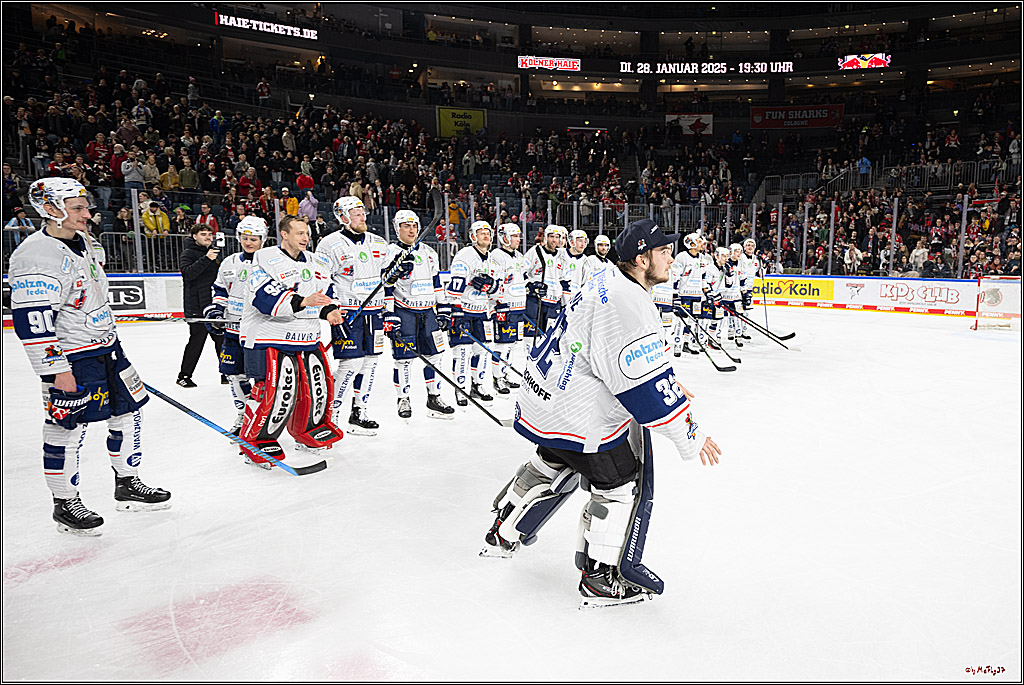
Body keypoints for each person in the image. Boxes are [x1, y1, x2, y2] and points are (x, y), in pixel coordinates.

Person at [480, 218, 721, 606]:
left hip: (547, 400)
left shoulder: (606, 278)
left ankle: (502, 530)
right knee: (619, 484)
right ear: (642, 259)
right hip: (578, 413)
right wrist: (692, 435)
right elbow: (642, 387)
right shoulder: (628, 303)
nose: (671, 259)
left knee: (550, 461)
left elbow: (621, 356)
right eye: (663, 252)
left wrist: (665, 375)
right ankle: (600, 580)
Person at [9, 178, 170, 536]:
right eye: (77, 207)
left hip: (107, 349)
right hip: (71, 358)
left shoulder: (88, 242)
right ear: (50, 209)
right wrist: (56, 370)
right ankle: (65, 502)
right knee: (66, 427)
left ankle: (128, 482)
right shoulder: (36, 255)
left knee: (128, 412)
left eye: (85, 206)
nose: (87, 213)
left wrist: (110, 346)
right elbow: (33, 321)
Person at [238, 214, 346, 467]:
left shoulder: (317, 262)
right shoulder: (264, 259)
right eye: (299, 233)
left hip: (307, 337)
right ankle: (256, 441)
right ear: (284, 235)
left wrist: (330, 310)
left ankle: (308, 431)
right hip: (268, 337)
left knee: (317, 386)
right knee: (274, 393)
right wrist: (302, 301)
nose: (305, 238)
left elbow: (326, 294)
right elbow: (264, 298)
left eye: (306, 233)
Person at [316, 196, 388, 436]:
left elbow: (387, 276)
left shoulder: (378, 242)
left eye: (362, 212)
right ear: (343, 217)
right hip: (349, 313)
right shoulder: (329, 244)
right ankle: (330, 415)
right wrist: (331, 306)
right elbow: (322, 278)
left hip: (374, 312)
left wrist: (399, 270)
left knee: (370, 363)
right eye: (356, 213)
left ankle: (359, 412)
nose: (362, 216)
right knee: (350, 364)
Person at [383, 209, 456, 420]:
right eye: (406, 226)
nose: (411, 230)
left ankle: (434, 398)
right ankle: (403, 398)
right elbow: (386, 287)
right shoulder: (390, 253)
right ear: (397, 228)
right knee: (404, 359)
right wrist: (389, 314)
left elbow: (436, 283)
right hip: (404, 312)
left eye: (414, 225)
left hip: (428, 313)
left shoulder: (428, 252)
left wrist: (443, 308)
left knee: (435, 356)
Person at [207, 216, 266, 434]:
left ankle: (261, 417)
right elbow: (221, 289)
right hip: (233, 329)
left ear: (262, 239)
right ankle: (243, 416)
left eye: (254, 238)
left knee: (262, 378)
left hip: (259, 331)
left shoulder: (269, 262)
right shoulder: (229, 262)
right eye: (245, 237)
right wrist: (215, 310)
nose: (248, 242)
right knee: (234, 375)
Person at [447, 220, 499, 407]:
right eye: (481, 232)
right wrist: (456, 310)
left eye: (488, 232)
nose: (486, 235)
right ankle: (460, 388)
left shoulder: (492, 259)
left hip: (482, 311)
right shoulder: (464, 256)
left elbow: (497, 288)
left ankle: (477, 384)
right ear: (473, 236)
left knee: (482, 350)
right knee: (462, 351)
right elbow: (455, 288)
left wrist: (491, 286)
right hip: (464, 311)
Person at [177, 223, 224, 387]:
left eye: (210, 234)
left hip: (212, 304)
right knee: (197, 340)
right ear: (194, 236)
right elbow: (188, 274)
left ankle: (226, 373)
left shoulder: (214, 254)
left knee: (221, 339)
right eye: (203, 234)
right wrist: (206, 259)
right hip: (196, 306)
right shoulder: (188, 253)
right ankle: (183, 376)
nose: (208, 237)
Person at [488, 222, 527, 395]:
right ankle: (497, 377)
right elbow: (495, 283)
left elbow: (522, 279)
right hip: (505, 308)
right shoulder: (496, 255)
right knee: (502, 344)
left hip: (519, 308)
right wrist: (499, 304)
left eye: (518, 236)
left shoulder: (519, 256)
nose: (518, 239)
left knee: (513, 345)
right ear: (504, 237)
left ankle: (505, 373)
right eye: (514, 236)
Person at [523, 225, 570, 338]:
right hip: (535, 301)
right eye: (551, 236)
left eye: (557, 237)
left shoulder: (562, 256)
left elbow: (565, 281)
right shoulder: (535, 251)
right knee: (531, 337)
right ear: (545, 237)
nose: (554, 240)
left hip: (554, 303)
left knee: (549, 337)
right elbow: (522, 272)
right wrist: (530, 285)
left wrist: (565, 304)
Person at [672, 233, 705, 355]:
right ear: (691, 243)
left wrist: (706, 291)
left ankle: (687, 343)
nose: (702, 243)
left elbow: (703, 276)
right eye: (698, 240)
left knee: (692, 321)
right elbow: (675, 276)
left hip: (697, 295)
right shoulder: (682, 257)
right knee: (682, 320)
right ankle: (677, 344)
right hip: (685, 294)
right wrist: (675, 294)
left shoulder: (702, 258)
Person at [736, 237, 761, 340]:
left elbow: (759, 273)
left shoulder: (756, 259)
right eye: (748, 245)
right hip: (739, 287)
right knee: (737, 310)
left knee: (747, 310)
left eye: (752, 245)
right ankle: (735, 331)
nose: (750, 247)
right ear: (744, 247)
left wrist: (764, 265)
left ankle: (744, 330)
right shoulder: (740, 257)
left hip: (749, 287)